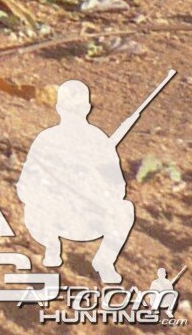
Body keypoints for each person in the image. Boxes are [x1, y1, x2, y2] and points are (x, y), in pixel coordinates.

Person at [17, 80, 141, 284]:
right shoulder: (47, 139)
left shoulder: (99, 141)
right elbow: (25, 187)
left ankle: (104, 261)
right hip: (50, 219)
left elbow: (117, 189)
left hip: (86, 218)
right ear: (59, 108)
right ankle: (52, 248)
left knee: (124, 209)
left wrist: (90, 182)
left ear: (87, 108)